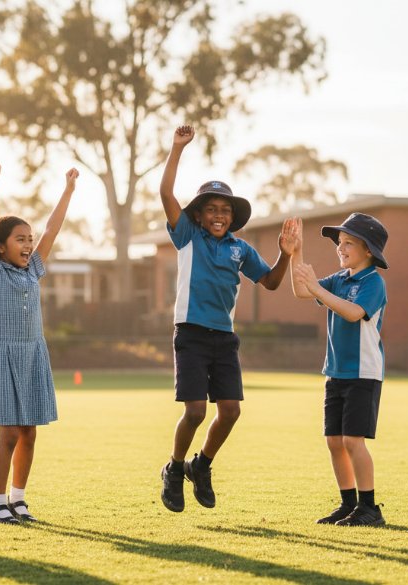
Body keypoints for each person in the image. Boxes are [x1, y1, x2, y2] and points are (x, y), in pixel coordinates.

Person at [158, 124, 297, 512]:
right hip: (190, 333)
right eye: (212, 209)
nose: (219, 215)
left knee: (231, 411)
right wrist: (177, 148)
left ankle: (200, 465)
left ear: (232, 217)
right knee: (196, 411)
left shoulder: (240, 248)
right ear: (199, 215)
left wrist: (286, 253)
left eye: (225, 210)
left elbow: (269, 282)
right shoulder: (187, 235)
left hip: (223, 337)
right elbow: (166, 193)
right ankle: (174, 468)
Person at [0, 161, 78, 524]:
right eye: (20, 239)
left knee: (29, 433)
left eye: (29, 240)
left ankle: (18, 500)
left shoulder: (33, 269)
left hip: (32, 356)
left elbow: (52, 228)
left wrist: (68, 191)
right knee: (10, 433)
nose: (29, 244)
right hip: (2, 356)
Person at [290, 214, 390, 527]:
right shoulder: (340, 279)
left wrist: (318, 289)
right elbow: (301, 291)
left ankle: (370, 508)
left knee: (352, 441)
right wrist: (297, 251)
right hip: (335, 372)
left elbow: (352, 313)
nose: (340, 248)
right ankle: (348, 504)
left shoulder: (373, 282)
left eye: (348, 243)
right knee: (334, 441)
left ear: (369, 251)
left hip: (363, 373)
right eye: (340, 243)